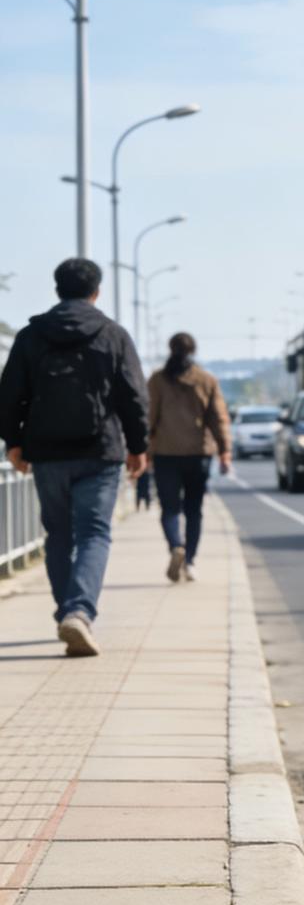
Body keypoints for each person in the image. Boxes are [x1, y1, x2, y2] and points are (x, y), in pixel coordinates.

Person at [0, 257, 149, 657]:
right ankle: (79, 612)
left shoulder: (31, 336)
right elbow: (133, 395)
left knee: (58, 535)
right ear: (96, 291)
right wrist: (138, 446)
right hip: (100, 451)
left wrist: (12, 442)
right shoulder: (113, 335)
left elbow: (9, 393)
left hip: (46, 453)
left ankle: (68, 611)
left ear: (57, 290)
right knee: (94, 533)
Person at [147, 333, 231, 582]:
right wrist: (225, 450)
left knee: (169, 508)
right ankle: (190, 561)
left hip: (165, 453)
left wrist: (142, 451)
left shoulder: (157, 380)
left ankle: (175, 546)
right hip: (198, 455)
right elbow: (218, 418)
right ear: (193, 351)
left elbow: (148, 417)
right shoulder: (206, 380)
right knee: (194, 510)